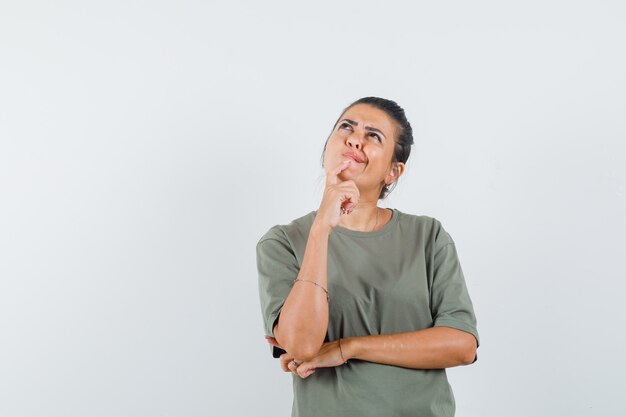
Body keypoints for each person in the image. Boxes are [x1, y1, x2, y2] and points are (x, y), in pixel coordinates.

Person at [256, 97, 480, 417]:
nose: (355, 138)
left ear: (393, 171)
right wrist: (321, 229)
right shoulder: (282, 242)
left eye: (373, 135)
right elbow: (302, 346)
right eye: (346, 126)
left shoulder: (427, 236)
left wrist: (349, 348)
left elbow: (461, 346)